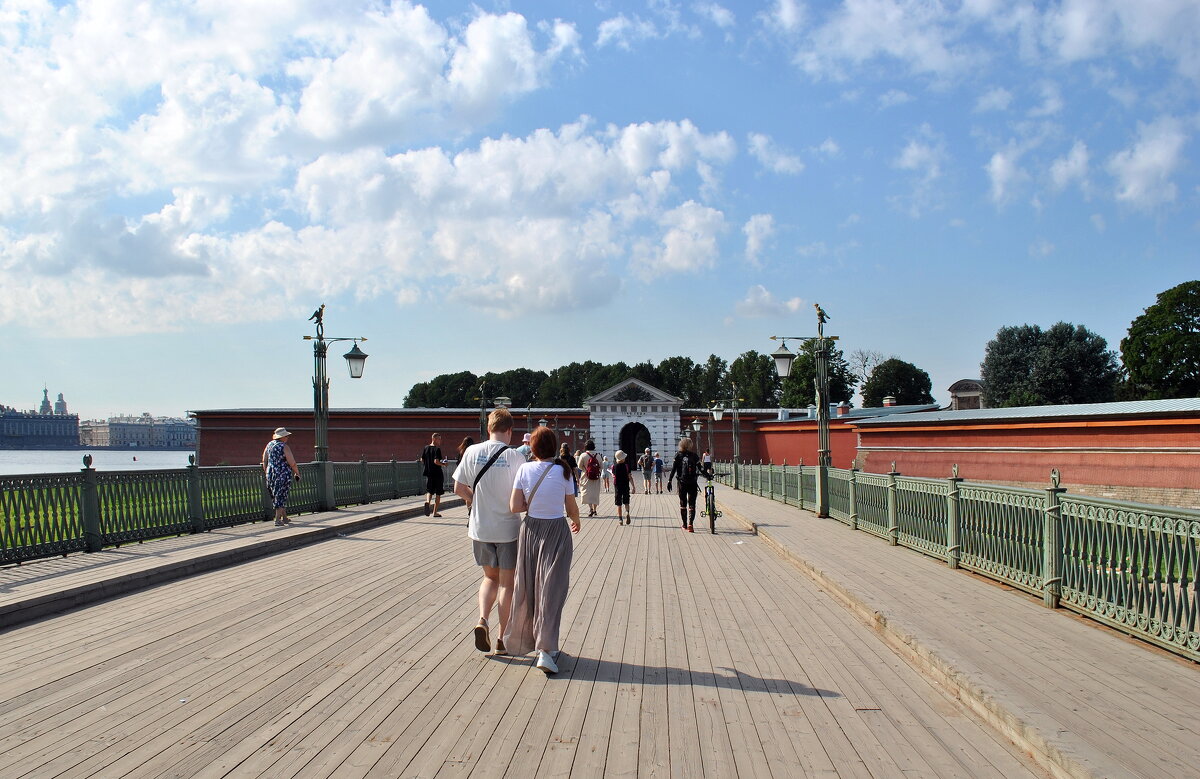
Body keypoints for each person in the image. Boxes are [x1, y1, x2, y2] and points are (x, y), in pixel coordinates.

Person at [506, 427, 580, 674]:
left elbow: (515, 506)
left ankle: (530, 641)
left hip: (530, 532)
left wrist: (530, 502)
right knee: (552, 589)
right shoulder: (563, 471)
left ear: (532, 448)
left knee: (528, 587)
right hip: (557, 532)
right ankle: (546, 650)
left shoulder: (524, 469)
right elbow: (570, 507)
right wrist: (577, 519)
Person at [453, 408, 526, 656]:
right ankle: (501, 640)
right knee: (507, 585)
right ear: (509, 430)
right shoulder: (517, 457)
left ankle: (482, 619)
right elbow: (523, 494)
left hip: (480, 528)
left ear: (488, 429)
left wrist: (475, 502)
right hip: (508, 530)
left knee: (489, 579)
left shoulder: (472, 452)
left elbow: (458, 487)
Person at [261, 427, 301, 526]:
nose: (287, 437)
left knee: (276, 495)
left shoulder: (269, 445)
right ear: (282, 437)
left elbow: (264, 460)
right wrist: (297, 473)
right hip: (283, 474)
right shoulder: (284, 447)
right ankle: (277, 519)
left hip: (271, 473)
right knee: (281, 496)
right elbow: (292, 463)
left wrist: (267, 472)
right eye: (286, 436)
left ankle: (285, 518)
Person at [667, 437, 703, 532]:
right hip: (692, 482)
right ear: (690, 445)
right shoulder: (694, 456)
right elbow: (701, 468)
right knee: (692, 504)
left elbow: (673, 469)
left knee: (683, 504)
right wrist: (709, 476)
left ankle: (684, 524)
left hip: (682, 483)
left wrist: (669, 481)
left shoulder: (678, 455)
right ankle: (691, 524)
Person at [420, 433, 447, 516]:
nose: (440, 441)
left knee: (429, 491)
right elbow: (436, 461)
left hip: (429, 473)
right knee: (438, 493)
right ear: (434, 439)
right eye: (439, 439)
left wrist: (427, 465)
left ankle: (427, 502)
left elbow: (422, 459)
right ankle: (435, 512)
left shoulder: (426, 448)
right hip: (437, 474)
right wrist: (443, 464)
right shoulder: (437, 449)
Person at [577, 440, 602, 517]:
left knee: (588, 493)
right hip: (596, 477)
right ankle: (595, 510)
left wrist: (585, 469)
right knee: (595, 493)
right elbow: (601, 466)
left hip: (586, 477)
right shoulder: (598, 455)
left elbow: (579, 466)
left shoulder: (583, 455)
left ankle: (590, 508)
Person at [612, 450, 636, 525]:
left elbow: (614, 475)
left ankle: (620, 519)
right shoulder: (626, 466)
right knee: (626, 502)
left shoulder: (614, 466)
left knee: (619, 504)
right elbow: (630, 477)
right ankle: (627, 512)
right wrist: (633, 486)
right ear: (623, 458)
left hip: (618, 487)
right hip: (625, 486)